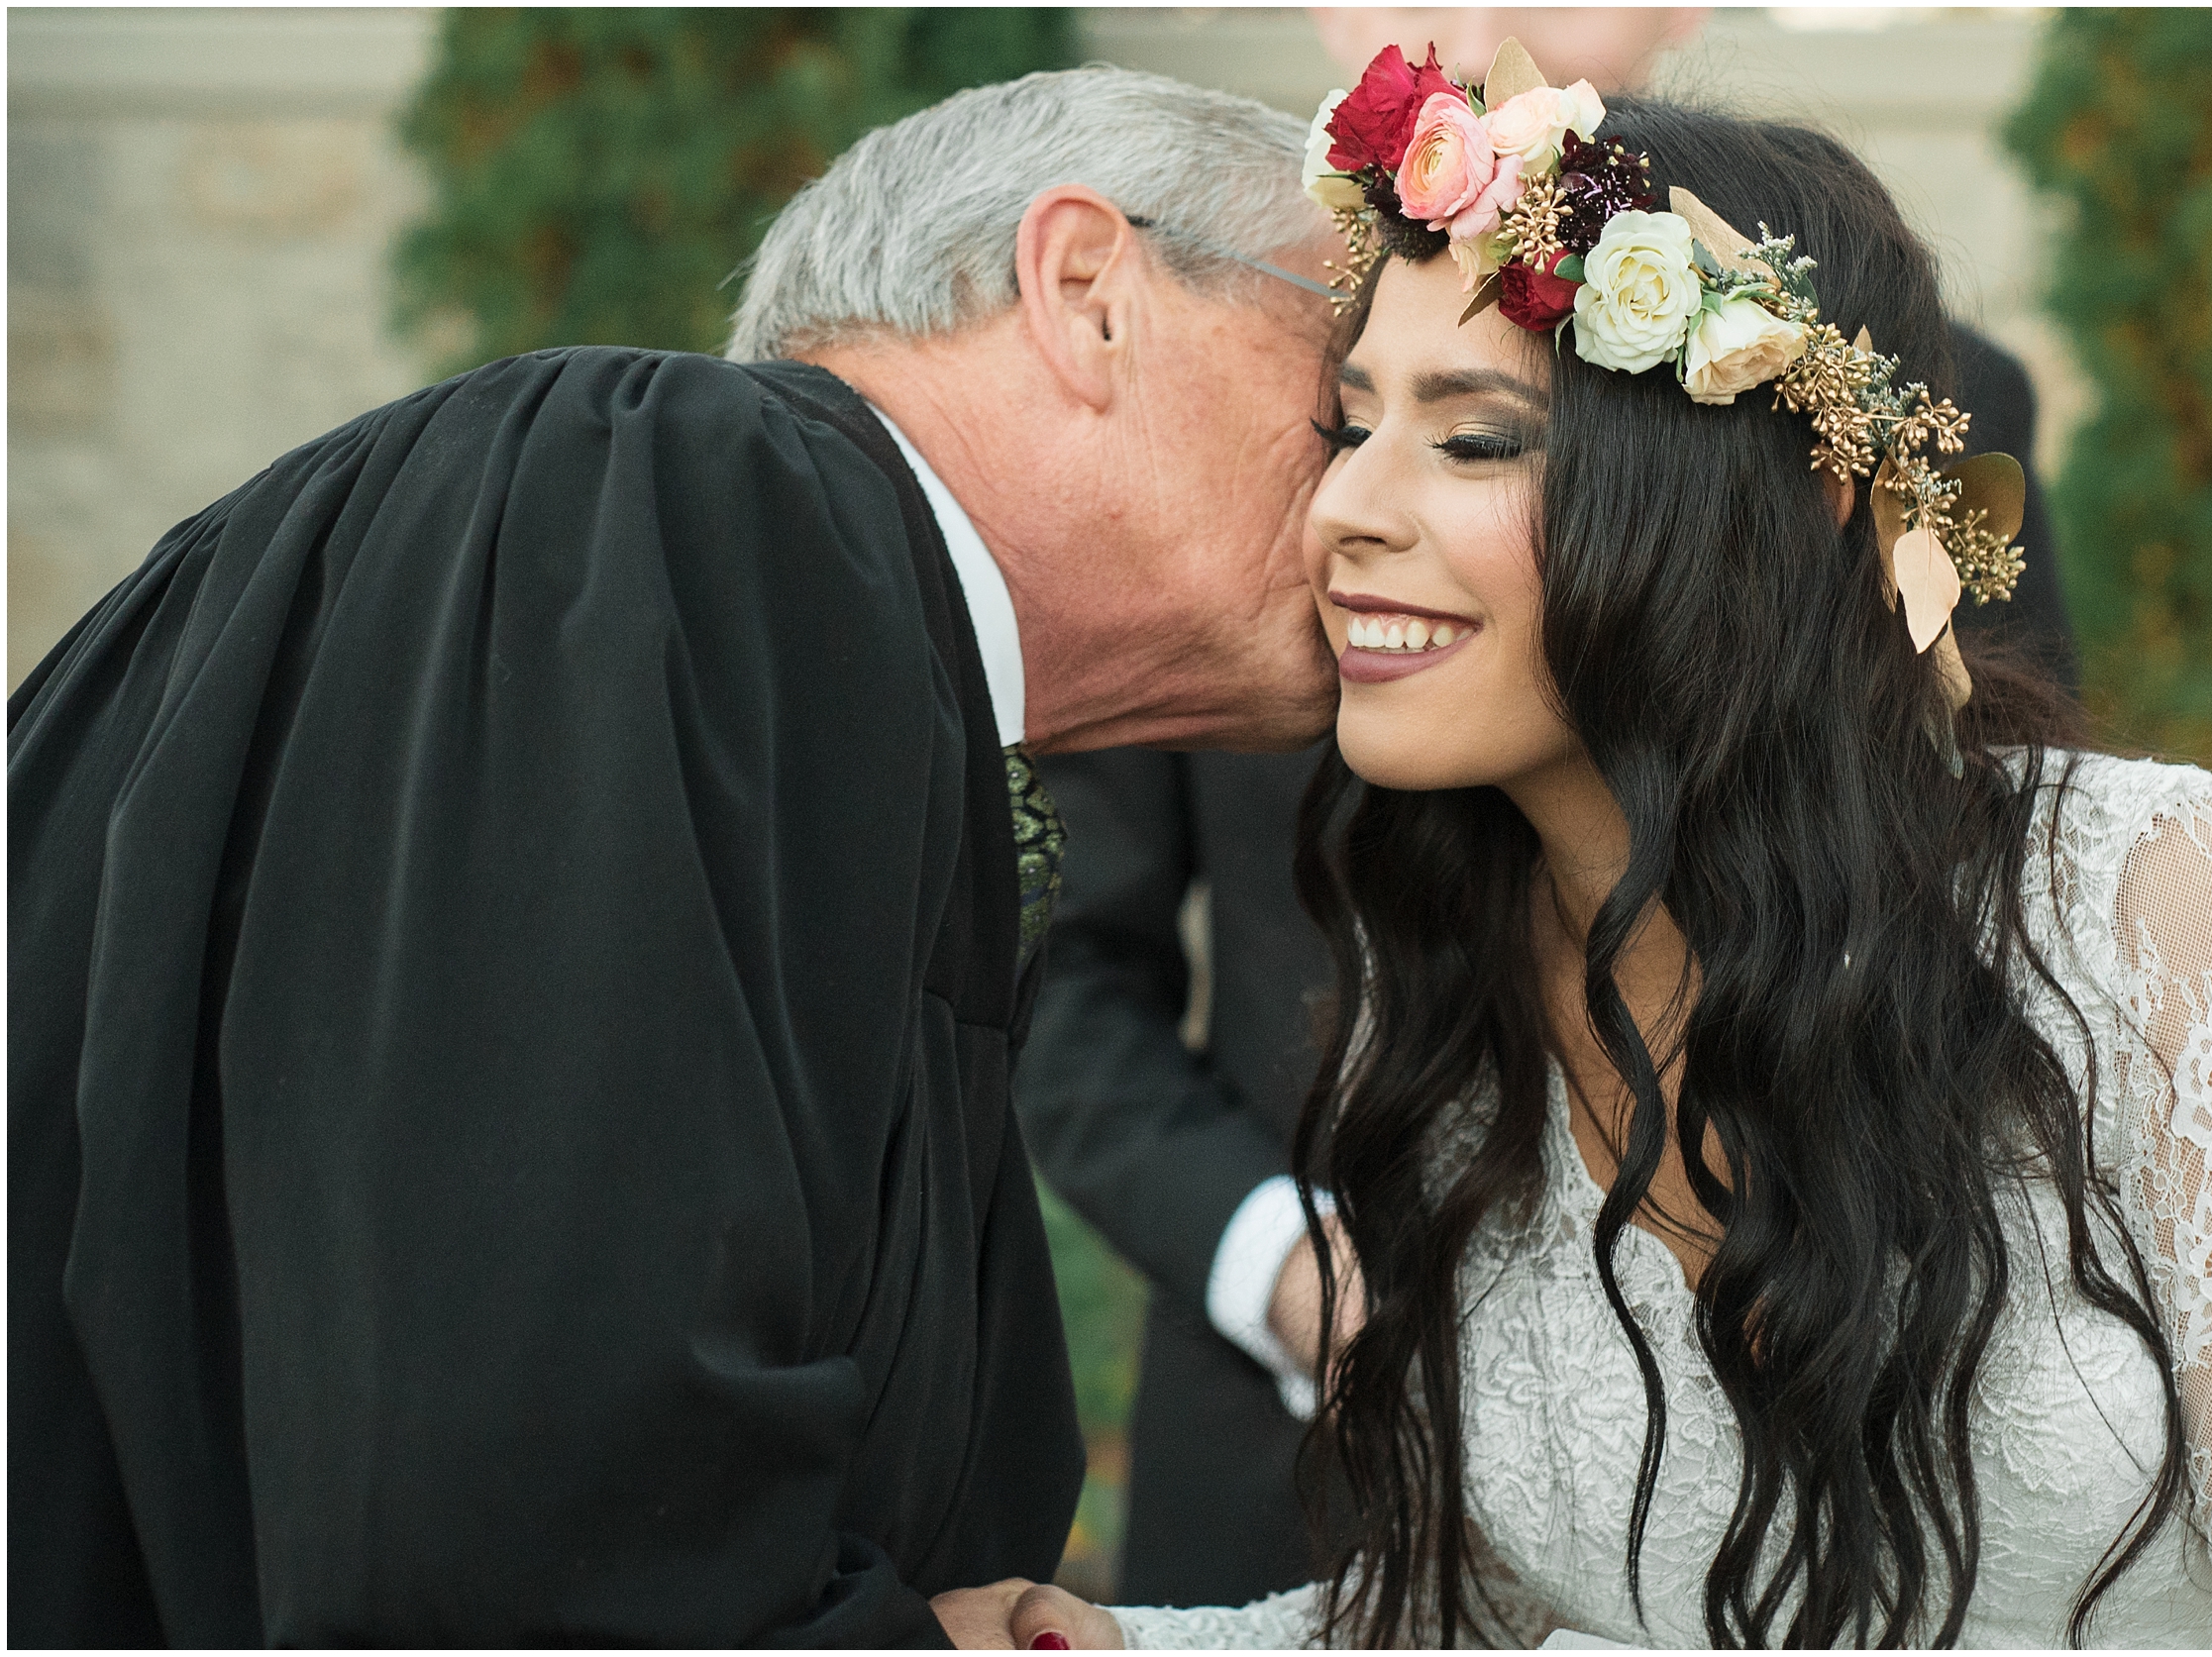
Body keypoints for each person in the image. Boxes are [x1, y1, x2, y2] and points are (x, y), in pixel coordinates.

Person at [983, 50, 2212, 1650]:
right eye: (1350, 429)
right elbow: (1496, 1612)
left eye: (1475, 441)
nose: (1346, 507)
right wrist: (1116, 1643)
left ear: (1790, 498)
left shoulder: (2147, 907)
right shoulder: (1449, 1000)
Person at [7, 67, 1338, 1648]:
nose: (1380, 483)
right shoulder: (667, 487)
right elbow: (518, 1518)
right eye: (1350, 394)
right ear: (1088, 292)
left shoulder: (801, 604)